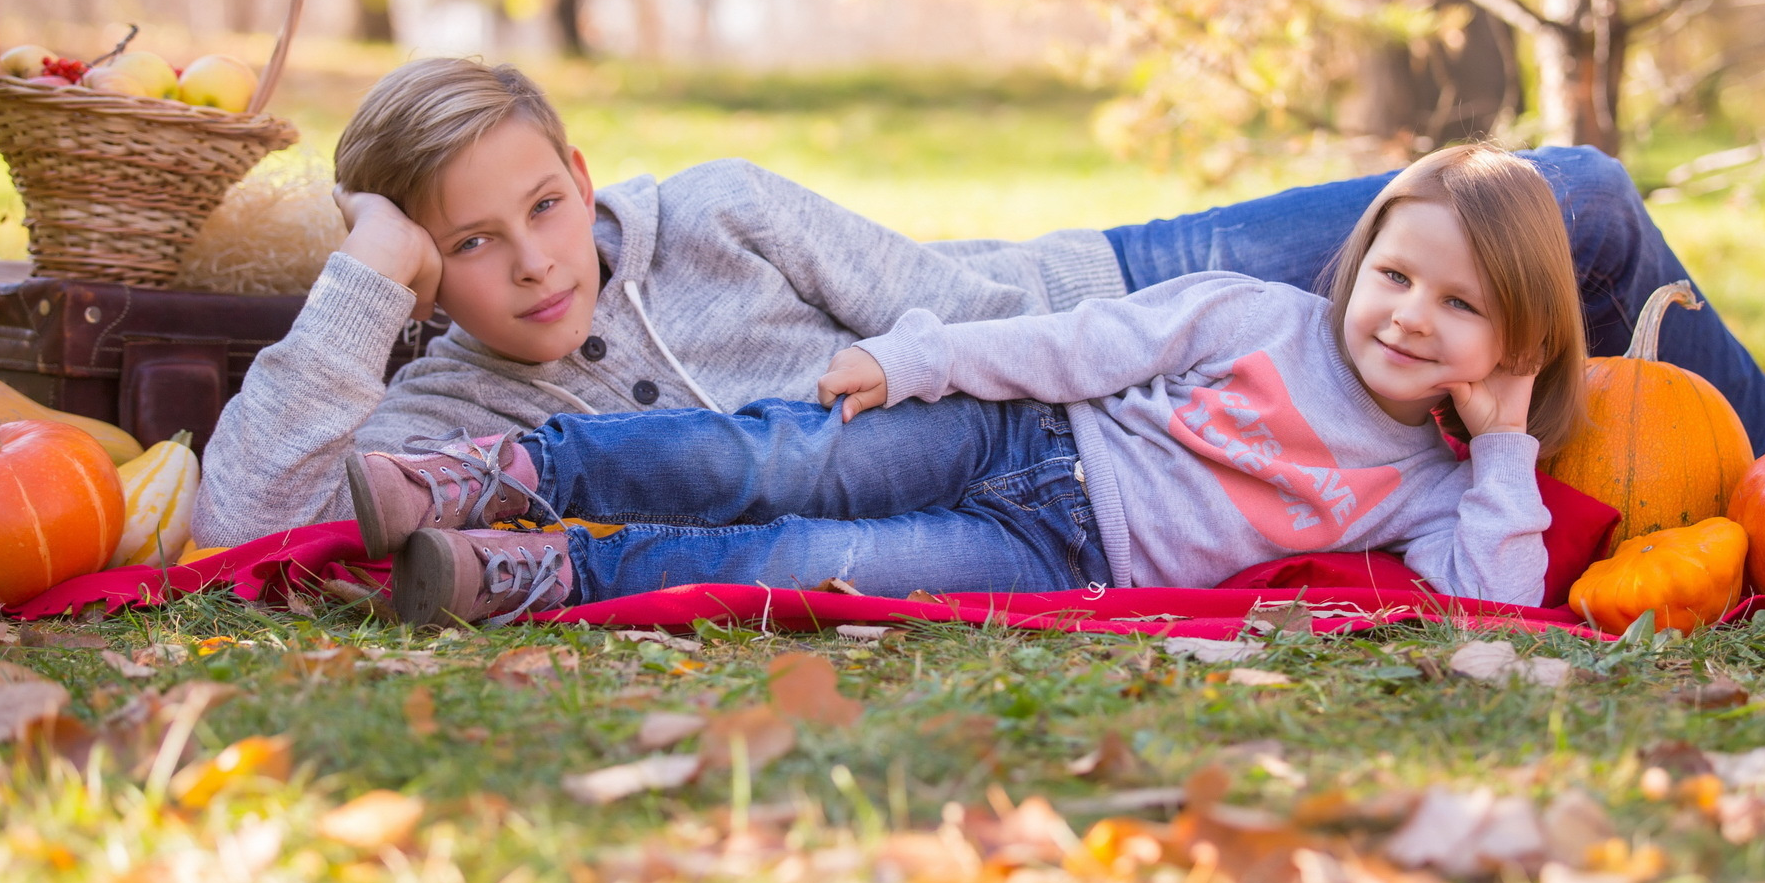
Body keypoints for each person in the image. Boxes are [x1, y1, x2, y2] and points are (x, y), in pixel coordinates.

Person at [191, 57, 1765, 550]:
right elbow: (239, 519)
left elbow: (953, 301)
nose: (538, 260)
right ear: (419, 266)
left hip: (1120, 313)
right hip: (1090, 451)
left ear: (582, 163)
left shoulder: (721, 209)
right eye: (470, 245)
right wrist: (365, 278)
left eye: (546, 200)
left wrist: (1209, 365)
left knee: (1580, 197)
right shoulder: (454, 399)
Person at [351, 143, 1588, 626]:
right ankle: (510, 474)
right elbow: (1081, 345)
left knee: (804, 562)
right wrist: (919, 359)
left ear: (1517, 342)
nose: (1409, 317)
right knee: (770, 457)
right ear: (1358, 261)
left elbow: (1497, 596)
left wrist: (1498, 450)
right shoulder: (1255, 316)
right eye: (1395, 275)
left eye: (1462, 304)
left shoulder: (1437, 486)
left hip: (1062, 560)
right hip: (1015, 429)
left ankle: (550, 569)